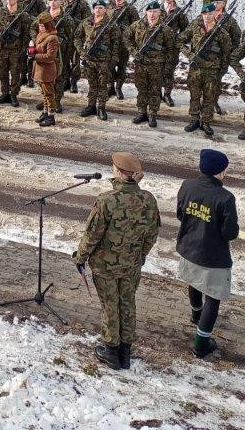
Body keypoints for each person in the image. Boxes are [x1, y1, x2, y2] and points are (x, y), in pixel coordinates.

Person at [73, 152, 160, 370]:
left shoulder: (107, 201)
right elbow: (152, 234)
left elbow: (92, 235)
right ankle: (125, 351)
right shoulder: (148, 199)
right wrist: (141, 255)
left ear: (119, 172)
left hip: (105, 266)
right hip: (131, 264)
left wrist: (80, 257)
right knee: (128, 303)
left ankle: (111, 349)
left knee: (110, 305)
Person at [176, 149, 240, 358]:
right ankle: (201, 344)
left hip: (188, 247)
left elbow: (180, 214)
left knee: (194, 282)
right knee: (213, 296)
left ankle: (196, 314)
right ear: (221, 172)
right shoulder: (225, 197)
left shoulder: (187, 186)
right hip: (213, 256)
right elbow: (230, 233)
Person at [181, 4, 232, 138]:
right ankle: (194, 119)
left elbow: (226, 55)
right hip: (195, 70)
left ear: (215, 13)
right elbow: (179, 41)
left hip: (212, 71)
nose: (207, 16)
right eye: (204, 13)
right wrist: (190, 54)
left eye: (210, 13)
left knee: (209, 97)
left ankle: (206, 122)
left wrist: (221, 72)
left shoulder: (222, 33)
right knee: (195, 95)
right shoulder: (194, 27)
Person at [125, 1, 177, 128]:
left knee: (155, 90)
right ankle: (141, 112)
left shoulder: (165, 29)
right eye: (150, 11)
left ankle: (152, 114)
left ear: (160, 13)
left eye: (155, 12)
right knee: (141, 89)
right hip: (141, 64)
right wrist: (133, 51)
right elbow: (126, 37)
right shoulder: (137, 25)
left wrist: (167, 66)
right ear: (146, 12)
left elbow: (171, 49)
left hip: (157, 66)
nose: (152, 14)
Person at [75, 0, 120, 121]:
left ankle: (101, 108)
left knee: (102, 85)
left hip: (104, 60)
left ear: (105, 9)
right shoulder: (86, 22)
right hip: (89, 59)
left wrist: (114, 60)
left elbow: (116, 43)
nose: (98, 10)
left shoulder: (111, 24)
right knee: (92, 84)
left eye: (101, 8)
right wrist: (82, 52)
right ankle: (91, 106)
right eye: (96, 8)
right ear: (93, 9)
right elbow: (77, 37)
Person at [0, 0, 30, 107]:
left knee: (15, 72)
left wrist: (24, 47)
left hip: (16, 49)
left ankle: (14, 94)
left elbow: (28, 30)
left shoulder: (22, 14)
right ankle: (5, 93)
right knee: (3, 72)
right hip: (2, 48)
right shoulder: (0, 11)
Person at [107, 0, 139, 99]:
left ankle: (118, 88)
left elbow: (136, 27)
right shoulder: (107, 8)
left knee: (121, 67)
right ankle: (110, 86)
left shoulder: (131, 9)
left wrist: (125, 27)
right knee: (109, 66)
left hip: (123, 44)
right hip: (109, 43)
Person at [159, 0, 188, 107]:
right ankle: (157, 93)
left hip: (172, 48)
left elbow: (185, 29)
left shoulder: (179, 11)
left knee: (169, 71)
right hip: (157, 46)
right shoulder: (157, 9)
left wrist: (178, 40)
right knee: (157, 70)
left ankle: (167, 94)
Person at [31, 12, 60, 127]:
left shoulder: (52, 38)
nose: (40, 28)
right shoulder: (40, 35)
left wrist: (35, 56)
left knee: (49, 94)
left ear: (48, 26)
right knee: (44, 93)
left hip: (47, 70)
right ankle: (45, 112)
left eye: (43, 26)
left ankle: (51, 115)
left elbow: (50, 56)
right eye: (39, 26)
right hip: (40, 69)